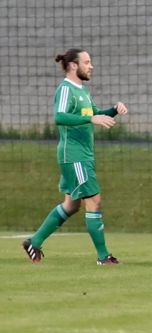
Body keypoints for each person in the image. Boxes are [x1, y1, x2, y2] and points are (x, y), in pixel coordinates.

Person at [22, 48, 128, 265]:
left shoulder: (83, 91)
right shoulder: (65, 89)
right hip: (74, 156)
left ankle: (34, 241)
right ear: (73, 65)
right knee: (94, 200)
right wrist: (91, 120)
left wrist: (114, 109)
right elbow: (59, 117)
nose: (91, 66)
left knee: (71, 205)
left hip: (83, 155)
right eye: (87, 62)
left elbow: (96, 114)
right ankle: (103, 256)